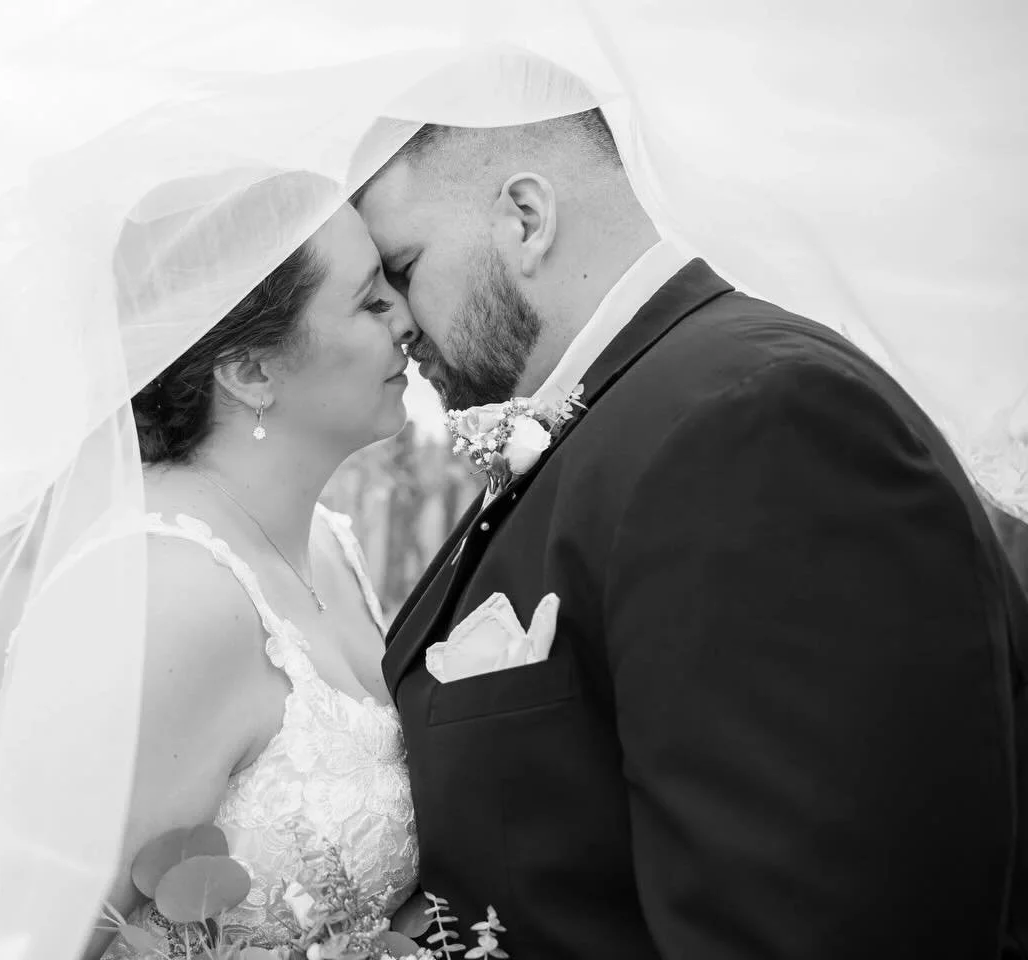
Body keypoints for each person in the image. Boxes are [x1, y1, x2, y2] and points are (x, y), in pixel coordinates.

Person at [354, 111, 1028, 958]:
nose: (399, 321)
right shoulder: (647, 407)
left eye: (405, 269)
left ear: (526, 217)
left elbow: (811, 921)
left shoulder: (753, 424)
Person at [87, 185, 422, 957]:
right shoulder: (170, 595)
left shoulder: (328, 544)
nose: (406, 320)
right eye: (370, 303)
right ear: (248, 370)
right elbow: (50, 932)